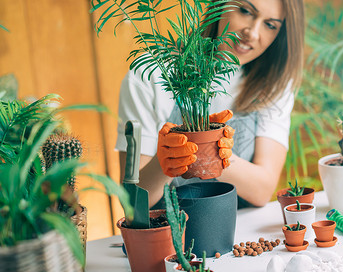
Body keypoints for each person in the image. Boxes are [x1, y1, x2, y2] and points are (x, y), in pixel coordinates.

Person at [116, 0, 305, 208]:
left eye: (271, 25)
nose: (253, 33)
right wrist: (167, 161)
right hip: (165, 236)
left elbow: (263, 189)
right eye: (245, 11)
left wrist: (212, 150)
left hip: (241, 234)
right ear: (220, 4)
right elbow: (132, 203)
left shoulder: (273, 84)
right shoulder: (151, 74)